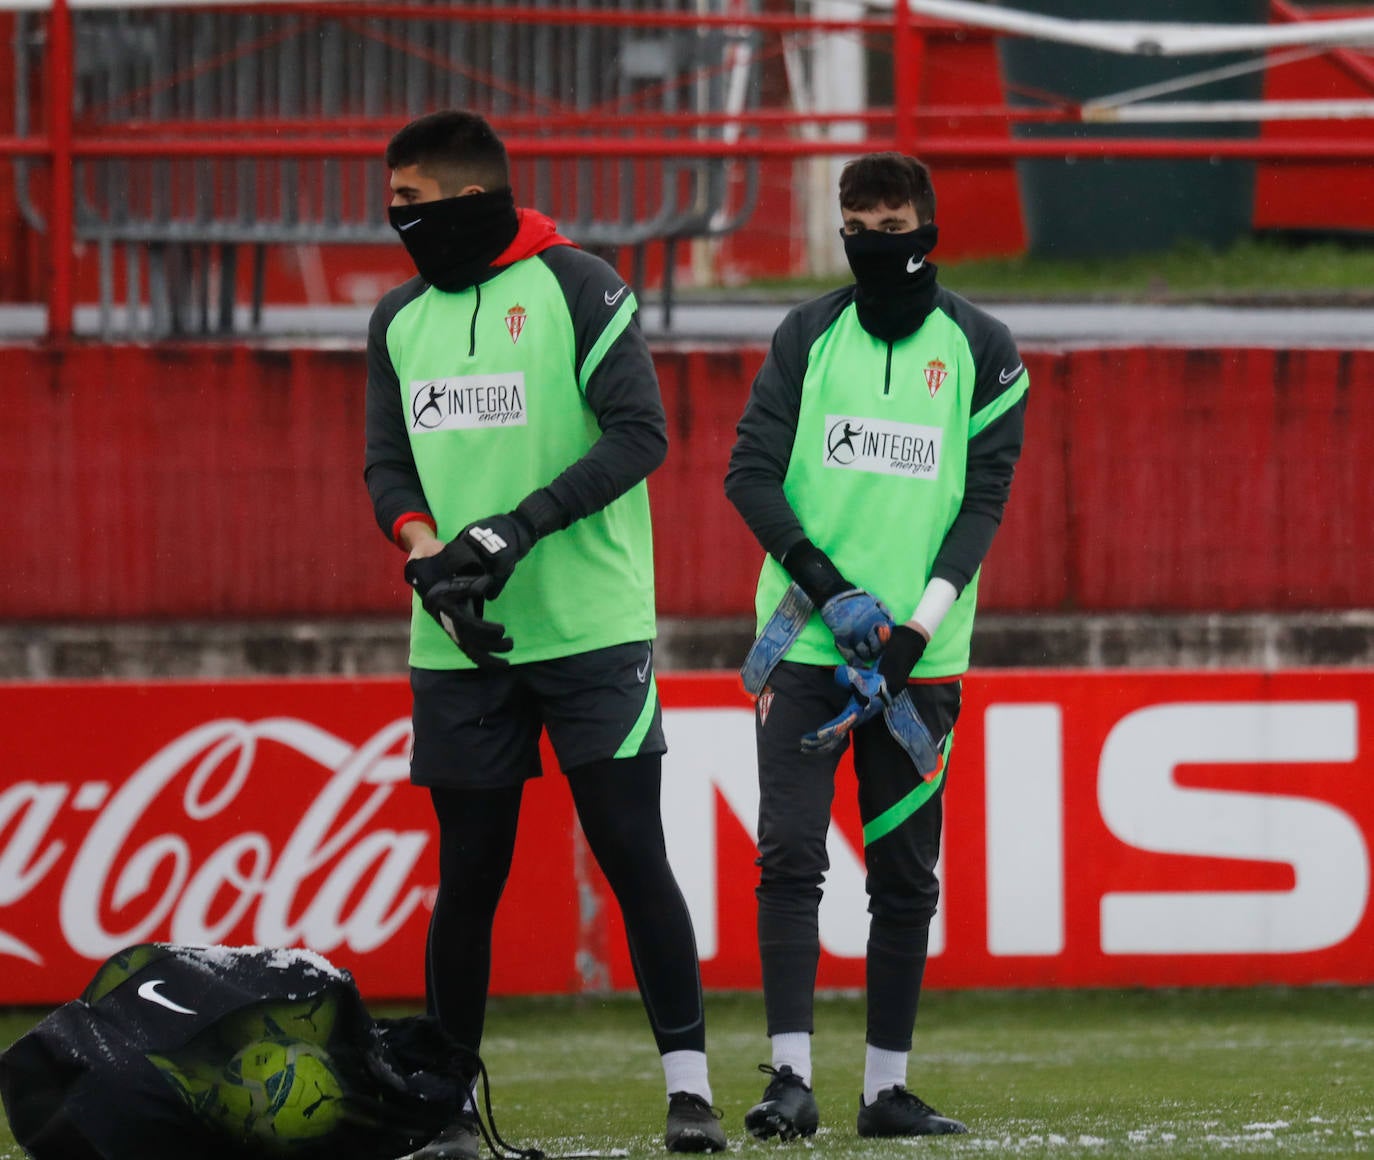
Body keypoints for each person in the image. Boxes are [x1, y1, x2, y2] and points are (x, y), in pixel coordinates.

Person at [364, 109, 726, 1159]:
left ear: (474, 199)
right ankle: (445, 1112)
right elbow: (388, 466)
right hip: (459, 641)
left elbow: (639, 433)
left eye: (411, 206)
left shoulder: (580, 285)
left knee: (628, 850)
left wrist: (515, 527)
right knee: (468, 874)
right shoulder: (395, 319)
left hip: (593, 630)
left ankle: (690, 1093)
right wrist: (431, 558)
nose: (398, 226)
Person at [724, 152, 1028, 1141]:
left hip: (920, 662)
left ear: (926, 228)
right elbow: (750, 475)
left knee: (904, 876)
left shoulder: (985, 349)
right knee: (790, 859)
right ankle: (789, 1079)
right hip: (806, 646)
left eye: (891, 221)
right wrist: (831, 589)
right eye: (857, 224)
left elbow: (982, 505)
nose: (873, 240)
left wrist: (916, 628)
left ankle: (885, 1091)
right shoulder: (805, 335)